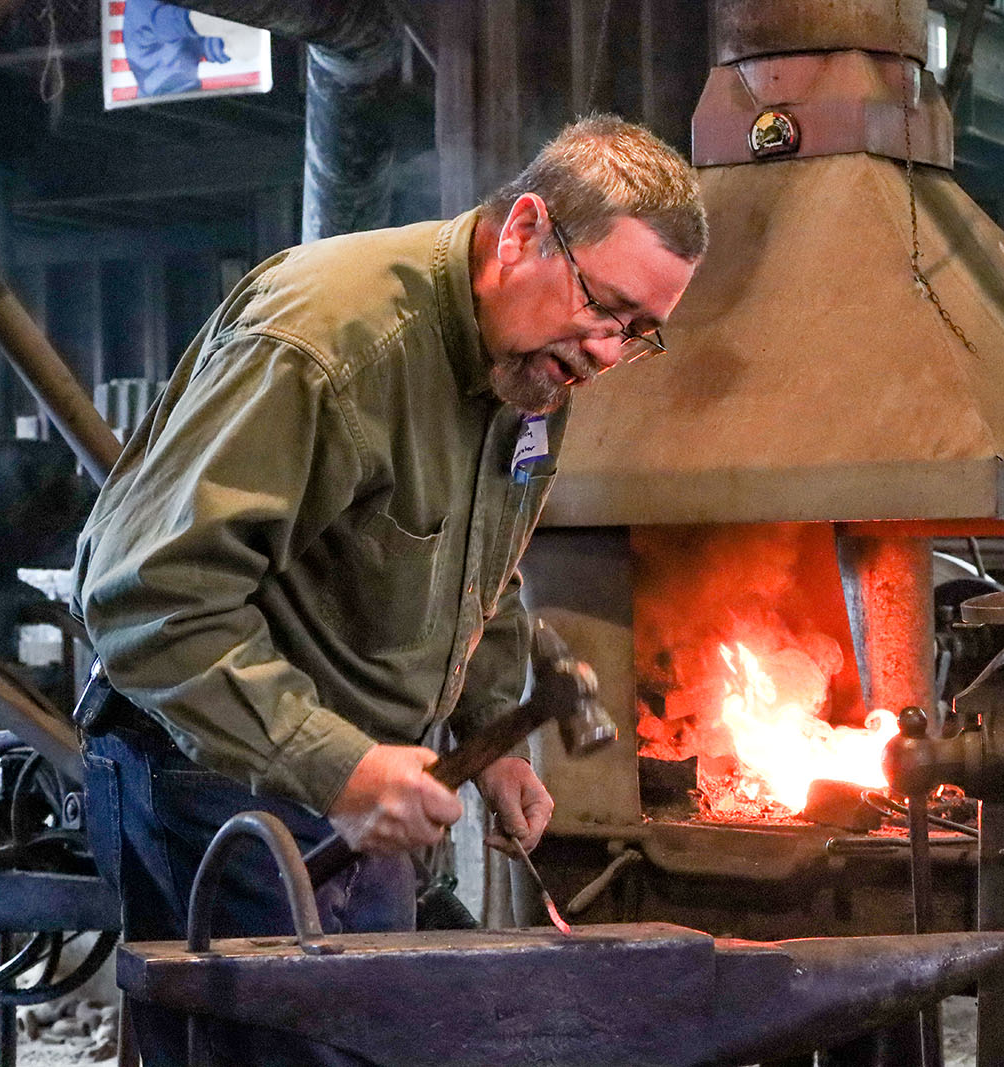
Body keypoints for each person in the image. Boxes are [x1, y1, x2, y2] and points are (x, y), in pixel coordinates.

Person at [71, 114, 706, 1066]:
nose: (609, 352)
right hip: (212, 772)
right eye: (605, 308)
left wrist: (490, 731)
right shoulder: (327, 344)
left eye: (639, 333)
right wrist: (336, 766)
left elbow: (478, 558)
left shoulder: (532, 370)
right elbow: (148, 596)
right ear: (527, 229)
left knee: (379, 1040)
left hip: (361, 778)